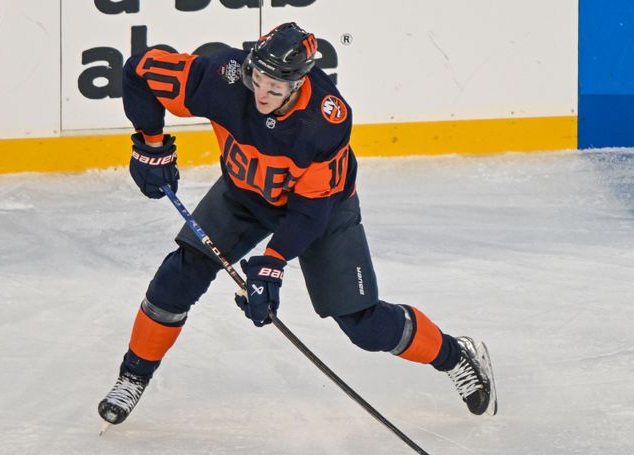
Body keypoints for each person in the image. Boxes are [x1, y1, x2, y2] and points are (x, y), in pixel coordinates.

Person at [98, 22, 497, 427]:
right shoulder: (221, 77)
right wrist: (150, 146)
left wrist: (272, 264)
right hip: (243, 194)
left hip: (321, 210)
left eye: (275, 88)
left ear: (300, 83)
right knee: (176, 278)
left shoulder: (325, 120)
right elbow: (138, 71)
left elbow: (309, 212)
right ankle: (132, 377)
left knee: (364, 325)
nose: (261, 94)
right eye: (257, 79)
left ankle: (454, 355)